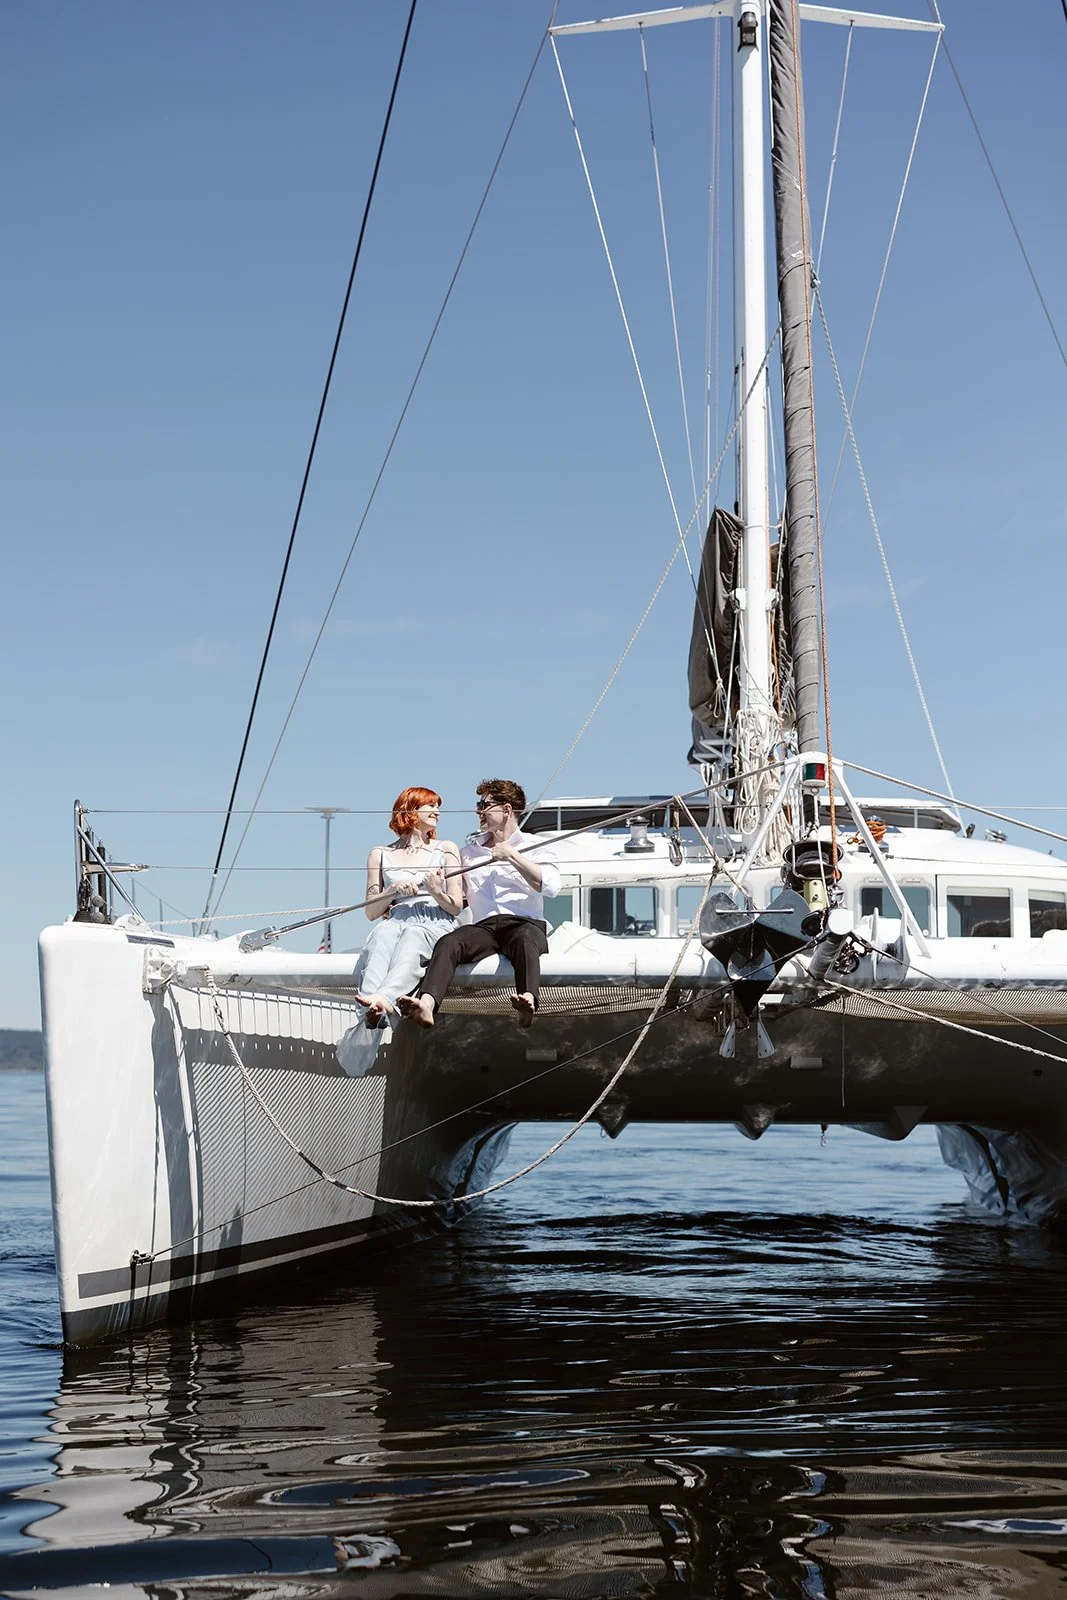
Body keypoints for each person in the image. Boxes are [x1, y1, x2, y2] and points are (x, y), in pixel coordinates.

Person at [397, 778, 560, 1030]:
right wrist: (434, 892)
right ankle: (427, 1004)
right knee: (450, 941)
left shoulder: (535, 846)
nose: (478, 811)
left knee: (525, 940)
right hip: (485, 927)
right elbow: (458, 902)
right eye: (478, 805)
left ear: (507, 810)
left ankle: (527, 1001)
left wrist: (512, 856)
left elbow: (550, 886)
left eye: (484, 805)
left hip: (524, 923)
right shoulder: (468, 853)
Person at [336, 788, 462, 1076]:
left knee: (413, 937)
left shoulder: (446, 849)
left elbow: (455, 906)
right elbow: (371, 912)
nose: (437, 812)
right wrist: (392, 890)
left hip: (433, 920)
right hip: (395, 919)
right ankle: (371, 1009)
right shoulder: (380, 854)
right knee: (380, 939)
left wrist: (436, 891)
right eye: (430, 805)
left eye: (438, 806)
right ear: (410, 810)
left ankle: (382, 1002)